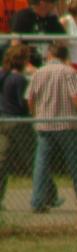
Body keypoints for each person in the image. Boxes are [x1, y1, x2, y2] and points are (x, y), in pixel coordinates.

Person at [27, 43, 77, 214]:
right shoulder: (69, 73)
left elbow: (30, 98)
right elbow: (76, 97)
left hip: (44, 124)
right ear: (65, 56)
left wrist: (35, 114)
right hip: (66, 124)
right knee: (74, 164)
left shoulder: (39, 73)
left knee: (41, 164)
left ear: (49, 55)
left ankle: (37, 201)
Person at [0, 44, 33, 215]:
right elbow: (22, 104)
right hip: (17, 122)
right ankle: (48, 195)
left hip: (2, 119)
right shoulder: (19, 79)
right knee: (35, 158)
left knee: (2, 160)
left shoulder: (2, 75)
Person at [9, 0, 67, 69]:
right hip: (26, 68)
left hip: (49, 68)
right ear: (42, 2)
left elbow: (64, 44)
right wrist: (28, 67)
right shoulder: (22, 17)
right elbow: (15, 47)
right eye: (53, 2)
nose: (55, 5)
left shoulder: (52, 20)